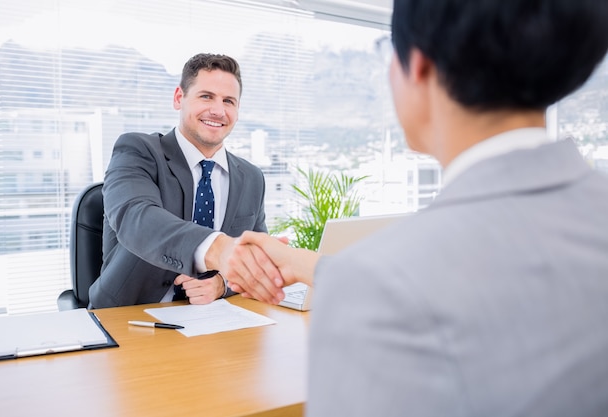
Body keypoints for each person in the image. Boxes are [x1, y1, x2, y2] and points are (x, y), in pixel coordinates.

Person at [226, 1, 608, 416]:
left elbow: (406, 287)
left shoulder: (381, 290)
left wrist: (358, 280)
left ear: (419, 66)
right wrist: (300, 262)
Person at [88, 53, 268, 308]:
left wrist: (222, 285)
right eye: (206, 96)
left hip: (214, 323)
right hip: (130, 318)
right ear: (178, 98)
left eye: (229, 101)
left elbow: (254, 260)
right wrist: (216, 249)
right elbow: (137, 219)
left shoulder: (251, 177)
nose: (218, 110)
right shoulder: (138, 151)